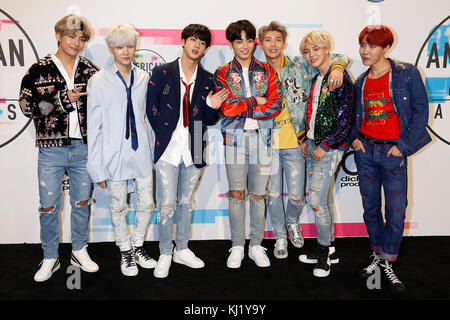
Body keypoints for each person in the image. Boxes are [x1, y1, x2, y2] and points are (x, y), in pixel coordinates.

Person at [18, 14, 99, 282]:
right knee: (48, 206)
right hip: (51, 149)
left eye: (81, 38)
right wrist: (62, 99)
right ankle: (50, 256)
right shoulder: (38, 69)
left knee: (82, 203)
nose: (77, 42)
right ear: (58, 36)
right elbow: (27, 107)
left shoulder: (91, 71)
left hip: (83, 148)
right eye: (71, 36)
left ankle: (79, 249)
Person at [350, 25, 431, 292]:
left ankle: (388, 259)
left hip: (392, 153)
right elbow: (354, 116)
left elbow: (420, 112)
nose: (365, 51)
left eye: (371, 46)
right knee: (370, 208)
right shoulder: (360, 81)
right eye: (363, 45)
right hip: (366, 152)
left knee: (396, 211)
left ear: (386, 47)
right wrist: (355, 139)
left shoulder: (406, 74)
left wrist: (403, 146)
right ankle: (377, 254)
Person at [258, 21, 348, 259]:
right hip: (266, 144)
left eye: (278, 40)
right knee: (274, 194)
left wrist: (338, 67)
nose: (273, 44)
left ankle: (292, 222)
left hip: (297, 142)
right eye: (268, 40)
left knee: (297, 196)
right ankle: (279, 237)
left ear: (284, 43)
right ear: (262, 43)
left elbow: (336, 56)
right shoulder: (257, 71)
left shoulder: (300, 65)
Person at [146, 24, 227, 278]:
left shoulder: (208, 79)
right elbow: (152, 109)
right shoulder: (161, 73)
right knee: (166, 205)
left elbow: (210, 119)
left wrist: (213, 107)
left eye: (202, 43)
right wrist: (164, 132)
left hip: (194, 149)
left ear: (206, 49)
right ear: (182, 41)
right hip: (167, 148)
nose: (197, 46)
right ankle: (165, 252)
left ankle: (182, 248)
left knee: (185, 202)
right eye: (193, 40)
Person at [87, 24, 157, 276]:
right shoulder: (98, 81)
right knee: (118, 207)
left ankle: (138, 245)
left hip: (141, 154)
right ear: (110, 48)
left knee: (147, 203)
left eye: (129, 45)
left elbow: (147, 119)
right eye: (119, 46)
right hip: (113, 155)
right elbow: (94, 127)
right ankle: (125, 250)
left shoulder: (144, 78)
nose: (125, 51)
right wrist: (97, 165)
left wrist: (154, 153)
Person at [213, 19, 282, 268]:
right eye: (238, 40)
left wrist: (242, 104)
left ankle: (255, 245)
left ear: (254, 42)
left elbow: (274, 105)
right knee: (235, 195)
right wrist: (254, 101)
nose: (244, 46)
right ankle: (237, 246)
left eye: (247, 40)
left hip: (263, 139)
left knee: (258, 195)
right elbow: (227, 109)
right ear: (231, 43)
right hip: (234, 140)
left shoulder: (267, 71)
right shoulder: (222, 72)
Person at [299, 30, 354, 277]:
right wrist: (308, 140)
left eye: (316, 49)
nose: (311, 55)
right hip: (313, 143)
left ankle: (323, 256)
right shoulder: (317, 78)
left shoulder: (338, 78)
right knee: (322, 199)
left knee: (317, 202)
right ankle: (329, 247)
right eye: (307, 51)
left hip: (329, 147)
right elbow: (313, 113)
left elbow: (345, 119)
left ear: (326, 49)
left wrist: (325, 144)